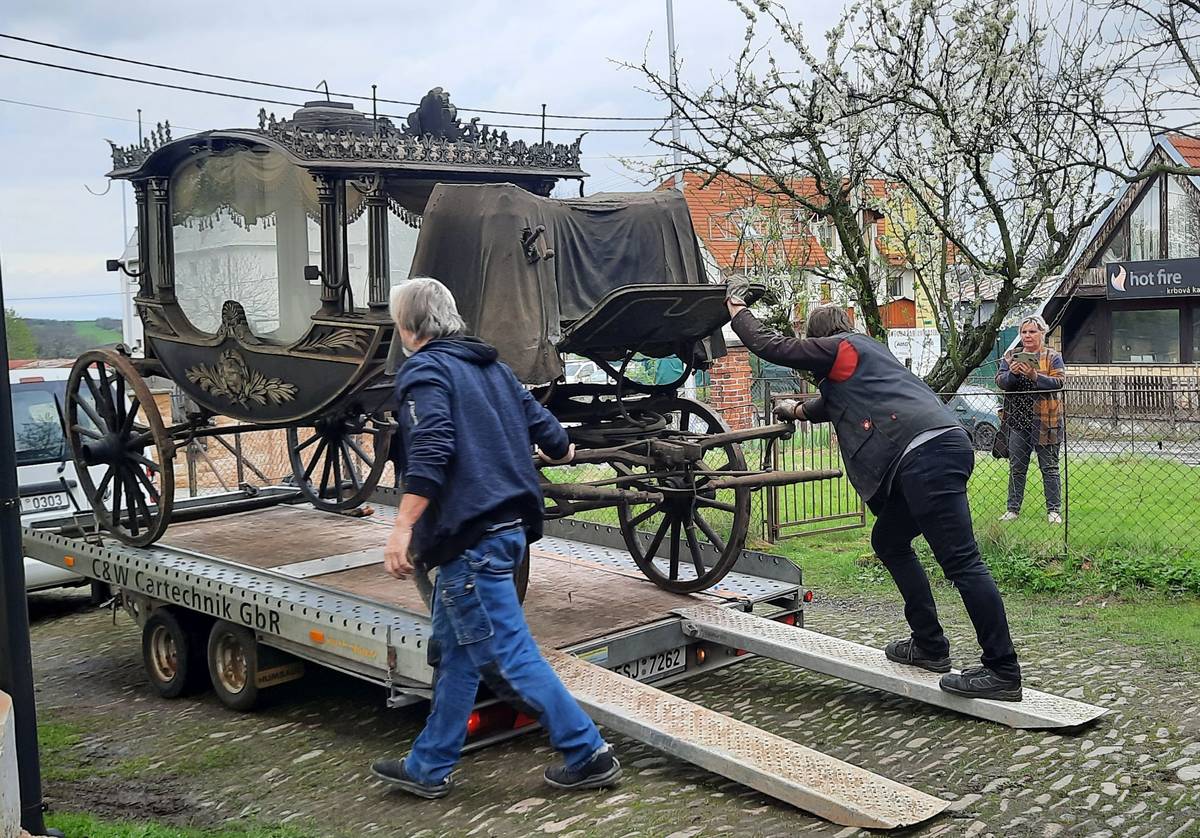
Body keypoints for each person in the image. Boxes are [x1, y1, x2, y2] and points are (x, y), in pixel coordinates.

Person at [371, 277, 620, 798]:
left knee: (510, 655)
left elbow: (432, 448)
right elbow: (555, 441)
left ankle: (587, 752)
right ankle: (428, 765)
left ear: (410, 327)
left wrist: (401, 527)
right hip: (506, 535)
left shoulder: (425, 370)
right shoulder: (496, 369)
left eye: (398, 323)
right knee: (457, 652)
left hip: (471, 543)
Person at [725, 284, 1022, 701]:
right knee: (889, 540)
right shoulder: (864, 359)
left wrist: (738, 312)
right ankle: (929, 645)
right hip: (932, 451)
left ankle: (1002, 670)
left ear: (821, 339)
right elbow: (829, 404)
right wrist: (793, 410)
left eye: (813, 346)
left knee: (962, 562)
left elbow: (774, 347)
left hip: (925, 456)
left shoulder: (842, 347)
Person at [995, 315, 1066, 524]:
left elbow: (1059, 382)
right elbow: (1000, 381)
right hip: (1017, 421)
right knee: (1017, 468)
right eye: (1024, 332)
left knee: (1049, 468)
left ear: (1042, 333)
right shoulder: (1011, 356)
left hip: (1046, 421)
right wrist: (1013, 374)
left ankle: (1054, 511)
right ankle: (1012, 509)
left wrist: (1035, 376)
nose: (1027, 335)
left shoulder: (1052, 357)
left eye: (1032, 331)